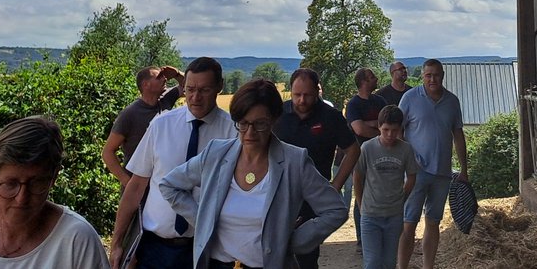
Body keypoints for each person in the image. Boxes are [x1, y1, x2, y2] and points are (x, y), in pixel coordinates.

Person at [159, 79, 347, 269]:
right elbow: (169, 185)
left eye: (260, 124)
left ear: (274, 120)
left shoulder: (294, 162)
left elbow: (335, 210)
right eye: (243, 124)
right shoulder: (215, 154)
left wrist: (292, 241)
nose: (250, 133)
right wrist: (203, 220)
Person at [0, 114, 108, 269]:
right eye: (10, 184)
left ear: (53, 179)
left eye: (35, 183)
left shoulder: (76, 241)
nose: (22, 198)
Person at [109, 57, 232, 269]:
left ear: (219, 87)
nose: (195, 97)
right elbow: (136, 186)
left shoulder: (233, 133)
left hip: (207, 251)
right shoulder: (161, 125)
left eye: (204, 90)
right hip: (154, 249)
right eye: (190, 89)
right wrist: (117, 242)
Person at [273, 66, 359, 269]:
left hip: (312, 197)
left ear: (317, 91)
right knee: (275, 252)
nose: (302, 100)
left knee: (307, 256)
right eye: (297, 95)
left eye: (307, 95)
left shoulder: (330, 116)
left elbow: (353, 150)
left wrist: (335, 185)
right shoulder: (277, 115)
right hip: (279, 193)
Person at [396, 59, 468, 269]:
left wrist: (464, 168)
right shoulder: (410, 98)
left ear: (442, 76)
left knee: (433, 222)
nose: (432, 79)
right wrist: (406, 161)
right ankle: (402, 266)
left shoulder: (452, 101)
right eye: (428, 75)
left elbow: (458, 134)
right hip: (415, 173)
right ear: (422, 76)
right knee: (409, 223)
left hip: (442, 173)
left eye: (436, 75)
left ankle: (428, 266)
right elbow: (398, 130)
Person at [353, 105, 417, 269]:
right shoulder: (367, 148)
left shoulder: (405, 149)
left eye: (394, 130)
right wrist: (361, 204)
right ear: (379, 126)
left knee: (389, 262)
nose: (390, 135)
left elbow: (412, 175)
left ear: (400, 129)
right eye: (386, 130)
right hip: (371, 214)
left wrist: (403, 197)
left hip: (394, 214)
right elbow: (358, 176)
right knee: (372, 262)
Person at [103, 65, 185, 186]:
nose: (165, 79)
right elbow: (107, 152)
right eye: (159, 77)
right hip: (138, 186)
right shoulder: (129, 114)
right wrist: (128, 183)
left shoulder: (166, 99)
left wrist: (177, 74)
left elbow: (190, 87)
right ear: (146, 84)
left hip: (162, 183)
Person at [344, 67, 387, 247]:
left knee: (382, 193)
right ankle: (363, 240)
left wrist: (369, 124)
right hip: (361, 156)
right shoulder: (353, 104)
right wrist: (381, 132)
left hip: (382, 155)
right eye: (372, 77)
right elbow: (359, 129)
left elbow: (388, 123)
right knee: (361, 195)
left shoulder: (380, 101)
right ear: (363, 81)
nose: (376, 78)